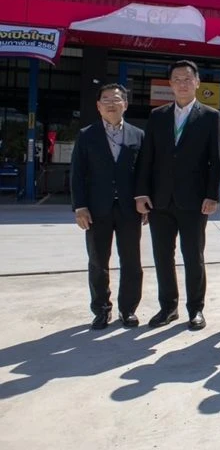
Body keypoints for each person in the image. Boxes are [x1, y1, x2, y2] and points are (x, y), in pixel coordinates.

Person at [135, 59, 220, 331]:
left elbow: (216, 160)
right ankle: (168, 307)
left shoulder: (210, 116)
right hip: (160, 200)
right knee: (163, 256)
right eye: (177, 79)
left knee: (193, 256)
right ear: (170, 84)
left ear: (197, 82)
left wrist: (212, 195)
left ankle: (195, 309)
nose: (182, 84)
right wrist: (141, 193)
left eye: (187, 79)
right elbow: (147, 157)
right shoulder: (158, 116)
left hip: (194, 201)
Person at [70, 83, 144, 329]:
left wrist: (144, 202)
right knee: (98, 262)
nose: (111, 104)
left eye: (116, 99)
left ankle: (128, 310)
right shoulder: (86, 135)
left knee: (131, 261)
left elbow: (144, 173)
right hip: (96, 209)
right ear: (98, 106)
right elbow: (77, 173)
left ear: (125, 104)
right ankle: (101, 309)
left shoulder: (137, 135)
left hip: (129, 209)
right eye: (106, 100)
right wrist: (80, 206)